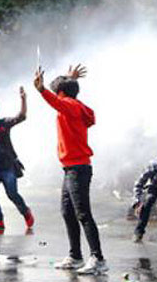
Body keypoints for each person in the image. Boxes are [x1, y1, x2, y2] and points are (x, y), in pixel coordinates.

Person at [34, 64, 107, 274]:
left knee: (83, 214)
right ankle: (75, 256)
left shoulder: (69, 105)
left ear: (62, 93)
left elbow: (58, 101)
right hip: (71, 168)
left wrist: (41, 91)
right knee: (67, 212)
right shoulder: (74, 104)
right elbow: (63, 97)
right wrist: (69, 79)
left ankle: (98, 259)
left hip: (77, 168)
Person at [0, 87, 34, 232]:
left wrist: (23, 100)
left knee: (12, 194)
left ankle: (26, 212)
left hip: (7, 167)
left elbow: (21, 117)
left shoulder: (4, 123)